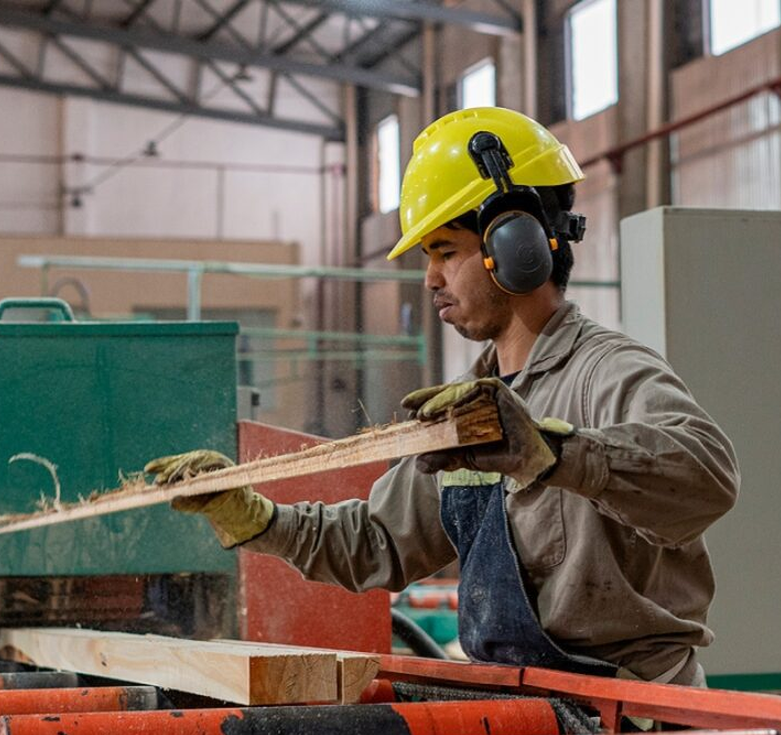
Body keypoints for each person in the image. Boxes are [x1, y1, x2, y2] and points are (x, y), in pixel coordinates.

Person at [145, 107, 738, 686]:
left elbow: (707, 477)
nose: (430, 278)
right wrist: (256, 518)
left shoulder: (607, 373)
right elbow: (377, 541)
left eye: (446, 251)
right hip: (524, 703)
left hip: (632, 714)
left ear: (517, 245)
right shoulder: (471, 409)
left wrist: (553, 454)